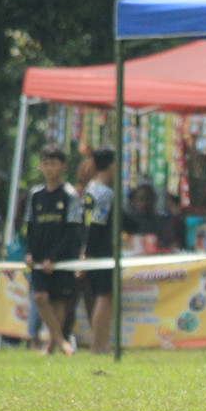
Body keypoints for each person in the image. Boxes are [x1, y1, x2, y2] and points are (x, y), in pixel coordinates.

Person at [23, 144, 83, 355]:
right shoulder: (35, 195)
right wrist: (29, 252)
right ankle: (61, 342)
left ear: (63, 166)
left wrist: (54, 257)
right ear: (41, 167)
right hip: (39, 258)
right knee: (40, 297)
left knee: (59, 299)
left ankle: (51, 344)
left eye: (53, 164)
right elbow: (29, 226)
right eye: (45, 164)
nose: (49, 168)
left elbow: (72, 229)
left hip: (61, 258)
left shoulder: (69, 195)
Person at [80, 146, 118, 355]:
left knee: (100, 296)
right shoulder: (105, 193)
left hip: (91, 248)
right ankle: (98, 345)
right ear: (112, 165)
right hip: (102, 251)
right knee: (105, 296)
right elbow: (97, 223)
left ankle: (102, 343)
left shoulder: (90, 188)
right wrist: (89, 250)